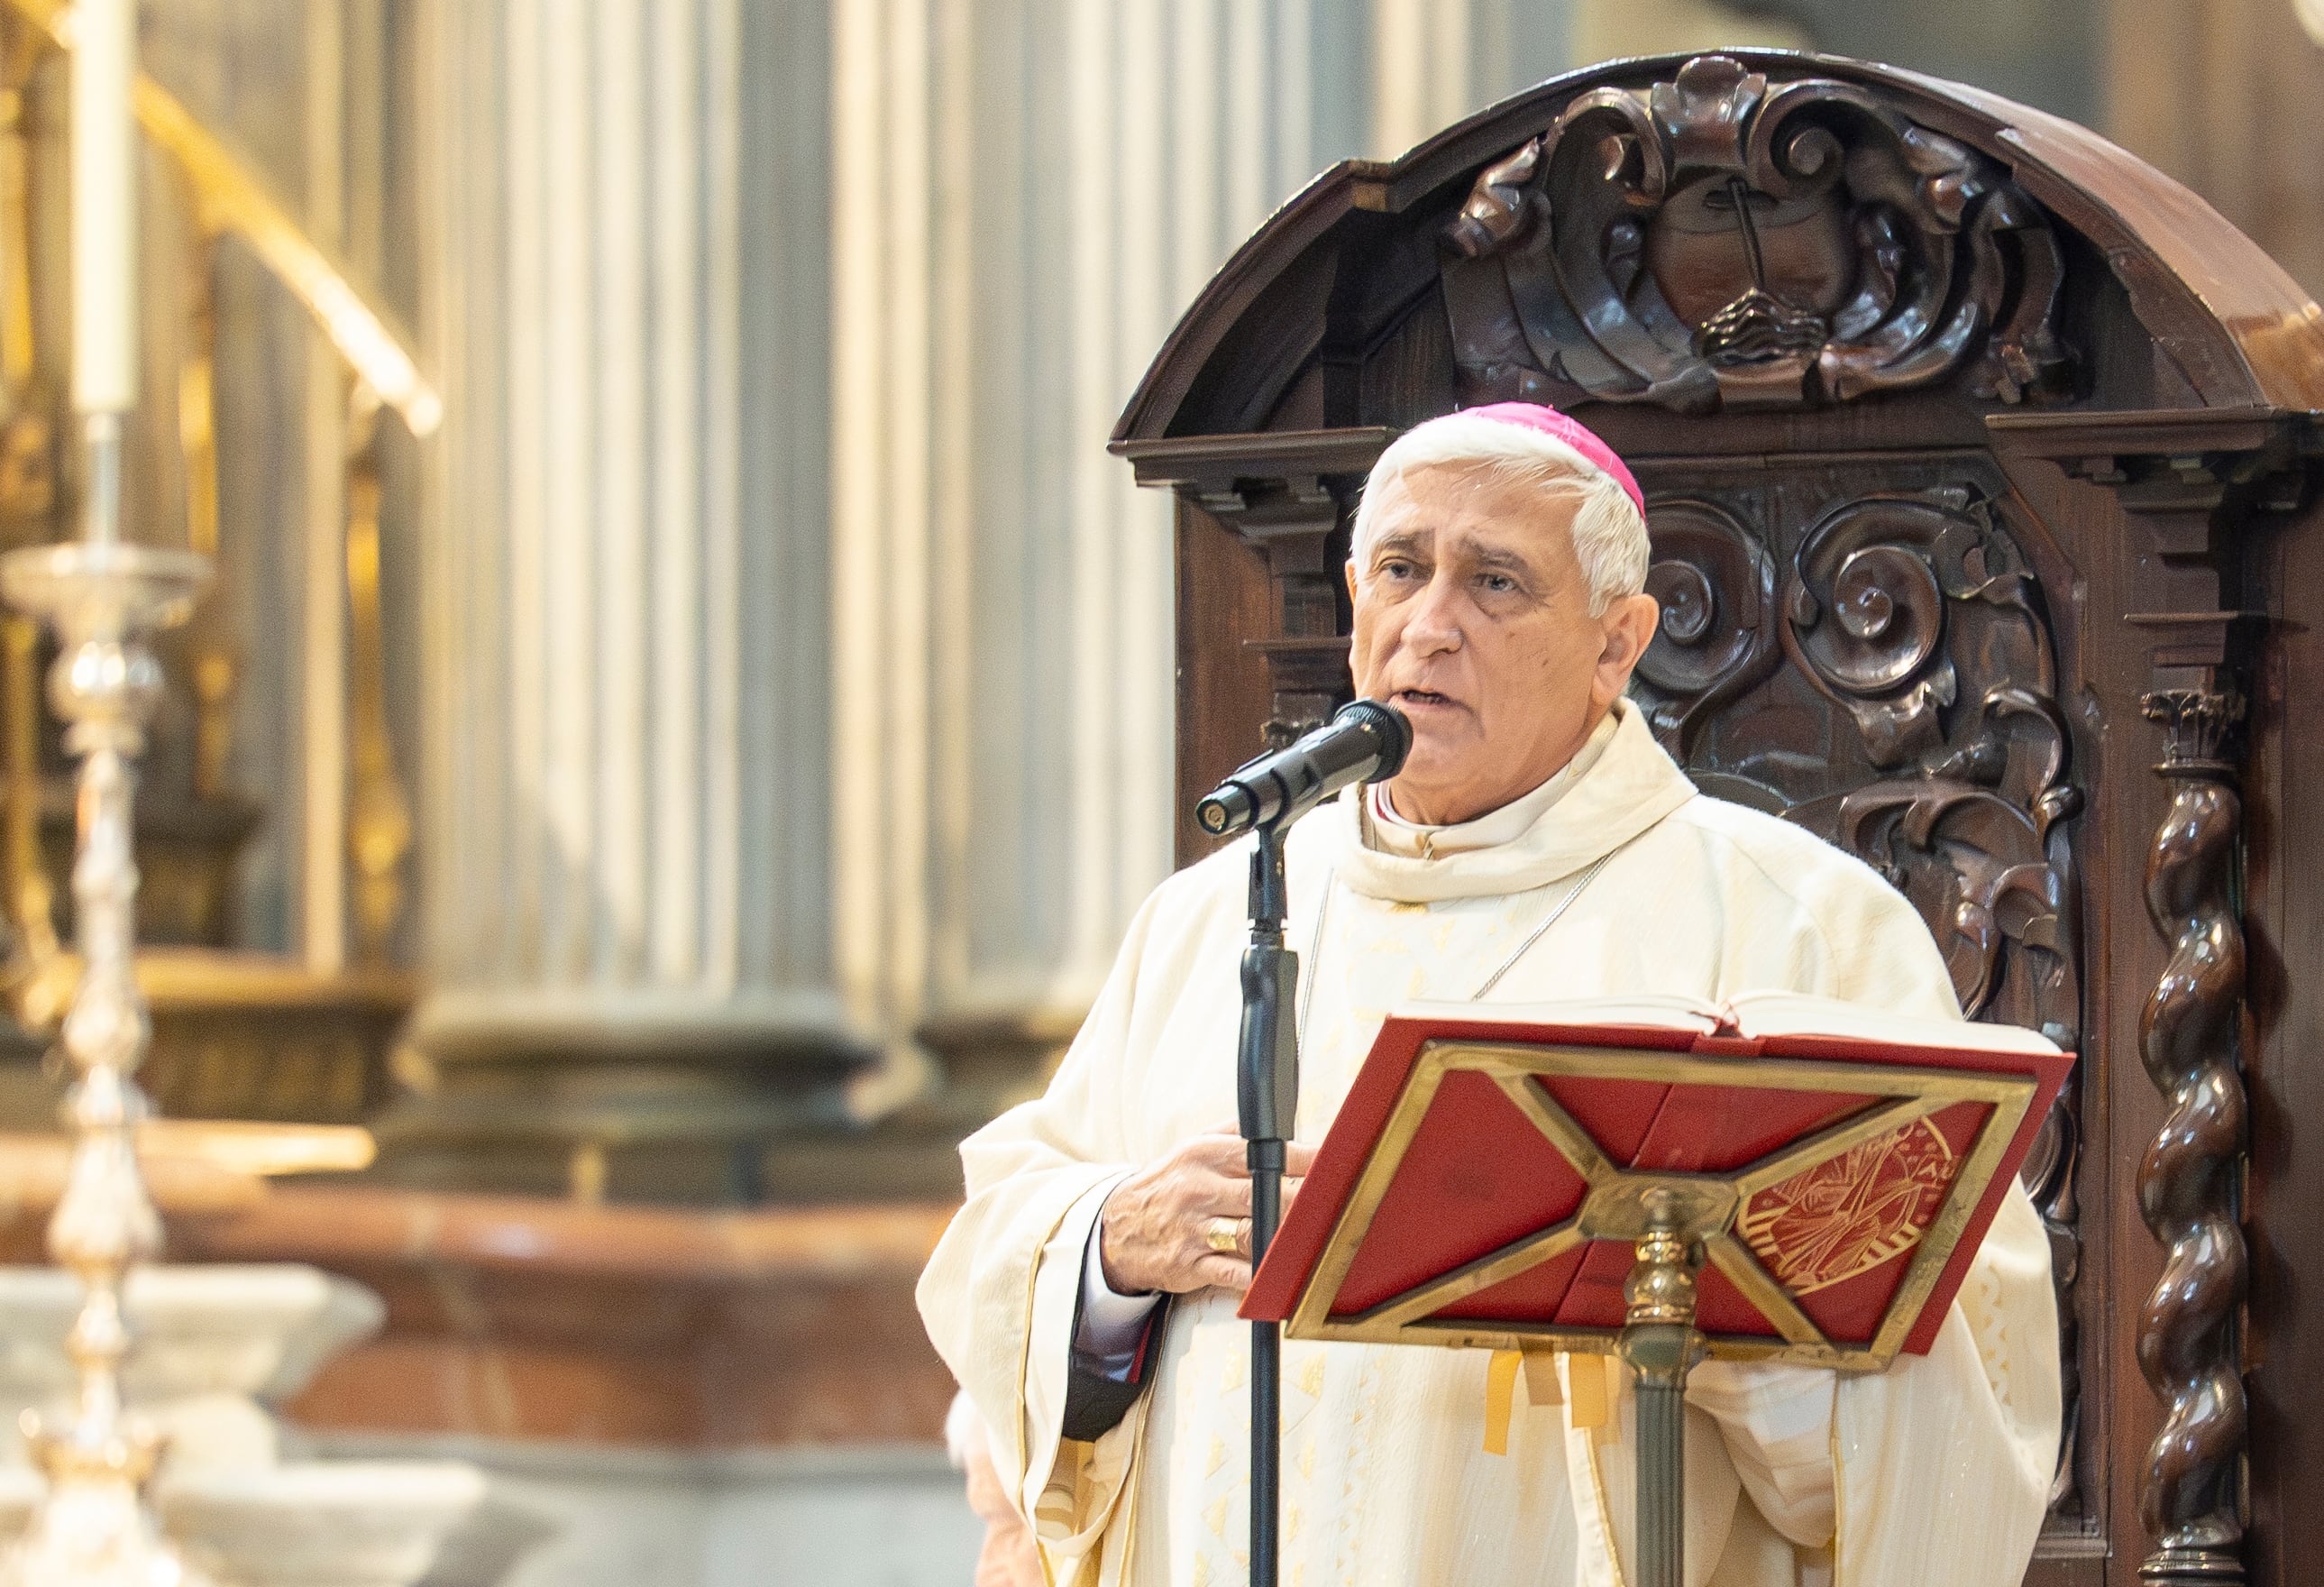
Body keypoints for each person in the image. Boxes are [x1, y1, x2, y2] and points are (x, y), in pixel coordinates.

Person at [916, 403, 2059, 1587]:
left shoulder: (1794, 920)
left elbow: (1964, 1360)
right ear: (1355, 596)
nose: (1430, 625)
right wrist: (1108, 1245)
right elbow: (1003, 1247)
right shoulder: (1218, 913)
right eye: (1402, 572)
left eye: (1495, 582)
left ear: (1616, 644)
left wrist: (1689, 1296)